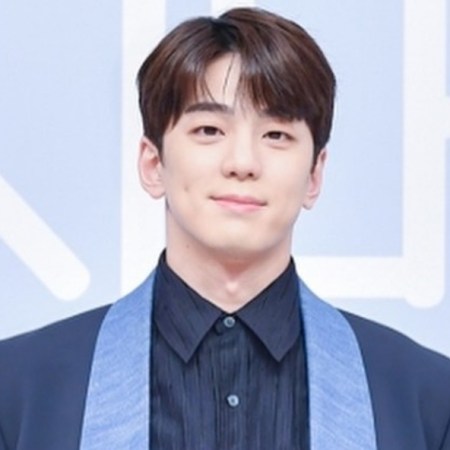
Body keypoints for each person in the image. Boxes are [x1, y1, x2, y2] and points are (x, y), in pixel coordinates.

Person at [0, 7, 449, 450]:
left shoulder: (425, 396)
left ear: (315, 174)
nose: (242, 163)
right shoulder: (19, 389)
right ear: (153, 164)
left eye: (276, 135)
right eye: (210, 130)